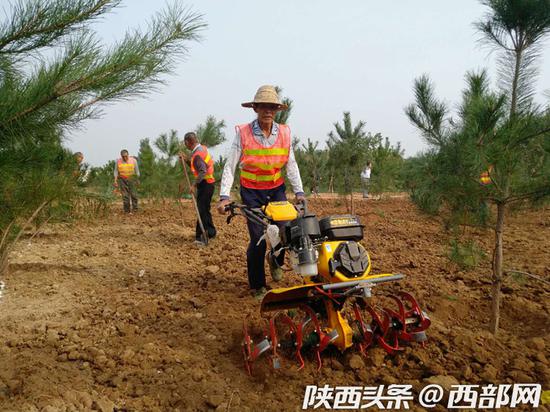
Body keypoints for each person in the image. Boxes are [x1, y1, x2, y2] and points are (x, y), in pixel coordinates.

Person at [217, 85, 305, 299]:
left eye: (272, 107)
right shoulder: (243, 133)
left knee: (285, 233)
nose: (268, 111)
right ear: (255, 108)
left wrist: (299, 191)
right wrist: (224, 196)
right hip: (252, 192)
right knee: (258, 238)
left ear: (277, 110)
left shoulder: (284, 132)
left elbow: (291, 165)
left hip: (276, 190)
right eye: (264, 106)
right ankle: (257, 285)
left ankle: (275, 260)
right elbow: (230, 165)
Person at [179, 132, 217, 245]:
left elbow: (202, 171)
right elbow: (196, 164)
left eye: (185, 143)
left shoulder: (197, 154)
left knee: (202, 211)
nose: (185, 145)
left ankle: (201, 238)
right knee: (205, 210)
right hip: (209, 184)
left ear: (187, 142)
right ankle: (211, 232)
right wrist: (186, 159)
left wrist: (194, 185)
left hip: (205, 185)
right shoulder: (202, 149)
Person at [114, 149, 140, 213]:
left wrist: (137, 179)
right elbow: (116, 171)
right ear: (121, 156)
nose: (125, 158)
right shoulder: (118, 161)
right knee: (125, 195)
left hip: (132, 178)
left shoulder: (134, 160)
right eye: (123, 156)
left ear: (128, 155)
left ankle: (135, 209)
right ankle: (126, 210)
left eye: (126, 156)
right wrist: (115, 180)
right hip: (122, 179)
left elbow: (137, 171)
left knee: (133, 194)